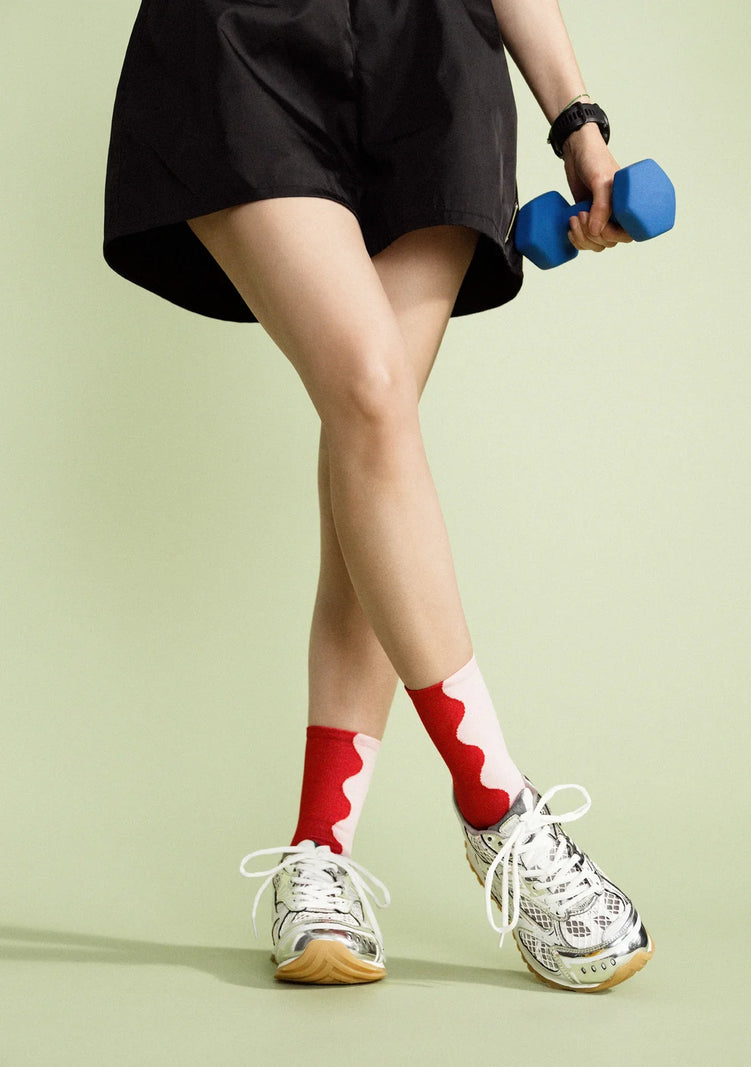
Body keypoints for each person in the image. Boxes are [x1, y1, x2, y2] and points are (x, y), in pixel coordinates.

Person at [103, 0, 654, 991]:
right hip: (239, 42)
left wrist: (575, 117)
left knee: (372, 427)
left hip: (432, 63)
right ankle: (497, 805)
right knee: (366, 389)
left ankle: (319, 850)